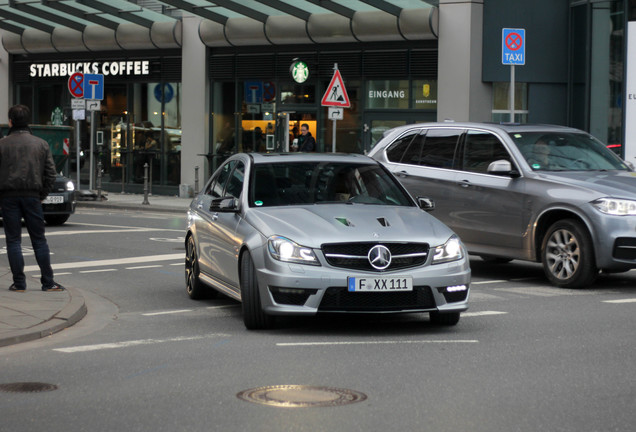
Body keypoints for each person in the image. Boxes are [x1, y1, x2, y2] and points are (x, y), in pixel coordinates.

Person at [0, 105, 65, 292]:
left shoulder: (2, 144)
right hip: (33, 197)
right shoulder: (41, 144)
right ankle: (48, 282)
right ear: (27, 121)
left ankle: (19, 283)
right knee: (39, 240)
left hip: (8, 197)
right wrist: (42, 195)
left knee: (13, 241)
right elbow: (51, 174)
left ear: (10, 121)